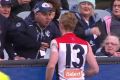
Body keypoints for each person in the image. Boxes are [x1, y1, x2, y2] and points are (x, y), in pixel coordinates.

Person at [46, 12, 99, 80]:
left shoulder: (56, 42)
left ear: (61, 24)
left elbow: (51, 66)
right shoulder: (86, 44)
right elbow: (95, 69)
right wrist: (81, 74)